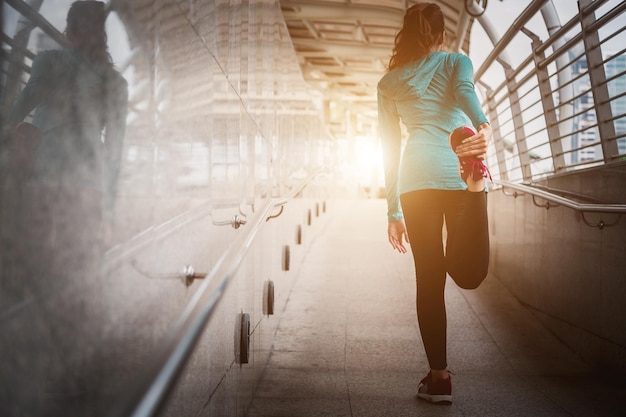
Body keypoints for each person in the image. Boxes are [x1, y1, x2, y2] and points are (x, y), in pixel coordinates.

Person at [0, 1, 127, 414]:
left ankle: (49, 365)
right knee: (81, 277)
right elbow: (115, 153)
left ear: (69, 31)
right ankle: (75, 367)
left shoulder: (50, 62)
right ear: (102, 36)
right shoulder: (116, 84)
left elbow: (14, 113)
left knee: (47, 276)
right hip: (87, 193)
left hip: (44, 190)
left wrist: (19, 133)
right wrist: (107, 210)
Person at [377, 2, 492, 405]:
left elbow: (389, 149)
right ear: (442, 35)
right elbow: (464, 92)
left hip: (415, 180)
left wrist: (393, 211)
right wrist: (482, 125)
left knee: (429, 278)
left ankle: (439, 377)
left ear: (405, 37)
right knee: (469, 272)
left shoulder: (389, 83)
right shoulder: (457, 62)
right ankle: (477, 189)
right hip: (456, 171)